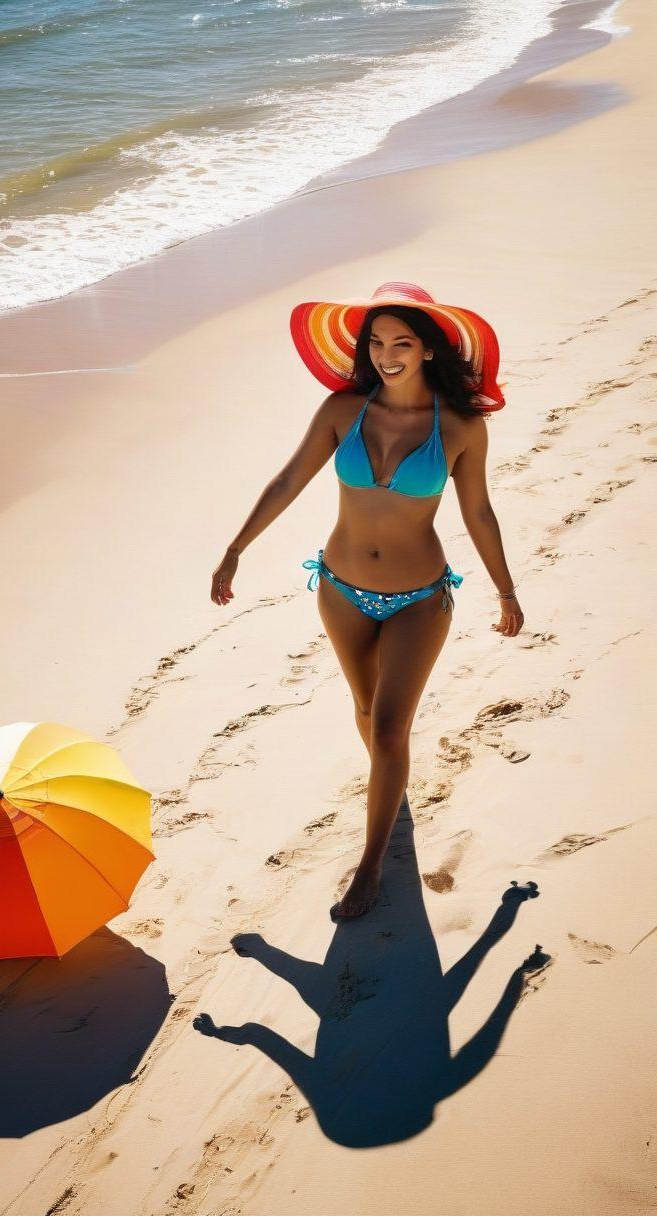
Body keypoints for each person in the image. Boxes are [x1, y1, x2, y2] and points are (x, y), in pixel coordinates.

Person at [211, 282, 524, 921]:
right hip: (340, 589)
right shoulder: (342, 409)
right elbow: (288, 479)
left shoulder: (461, 426)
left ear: (429, 350)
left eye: (401, 342)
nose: (386, 353)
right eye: (376, 342)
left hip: (418, 597)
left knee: (387, 726)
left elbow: (479, 511)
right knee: (364, 708)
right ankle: (393, 786)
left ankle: (373, 861)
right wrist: (236, 548)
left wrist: (506, 588)